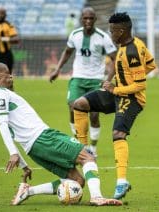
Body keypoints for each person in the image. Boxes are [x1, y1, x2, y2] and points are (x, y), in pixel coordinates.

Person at [0, 62, 122, 206]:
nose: (11, 76)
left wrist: (24, 165)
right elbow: (3, 124)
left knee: (77, 182)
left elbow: (12, 131)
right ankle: (97, 197)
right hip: (43, 138)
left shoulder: (2, 94)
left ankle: (28, 191)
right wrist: (13, 153)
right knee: (87, 157)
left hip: (33, 149)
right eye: (8, 73)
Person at [72, 12, 156, 199]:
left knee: (118, 134)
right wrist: (120, 82)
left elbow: (141, 85)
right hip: (118, 91)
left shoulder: (132, 50)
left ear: (122, 30)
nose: (110, 34)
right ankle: (83, 150)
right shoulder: (135, 44)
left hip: (132, 98)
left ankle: (121, 182)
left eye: (112, 31)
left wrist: (115, 89)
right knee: (79, 104)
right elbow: (151, 64)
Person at [49, 7, 117, 157]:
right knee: (73, 108)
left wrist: (108, 79)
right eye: (85, 18)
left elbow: (115, 58)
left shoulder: (103, 37)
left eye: (91, 18)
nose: (88, 21)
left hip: (96, 80)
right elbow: (67, 52)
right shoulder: (75, 34)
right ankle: (80, 143)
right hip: (78, 78)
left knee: (93, 115)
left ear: (95, 20)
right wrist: (57, 69)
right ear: (81, 19)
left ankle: (93, 147)